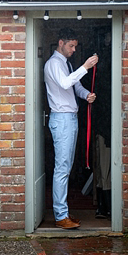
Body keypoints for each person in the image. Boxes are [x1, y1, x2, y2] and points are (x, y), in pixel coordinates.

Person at [44, 28, 98, 229]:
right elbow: (66, 82)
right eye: (71, 46)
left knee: (65, 168)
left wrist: (86, 95)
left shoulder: (65, 64)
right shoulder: (53, 64)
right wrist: (85, 66)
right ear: (61, 43)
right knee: (62, 169)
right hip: (62, 119)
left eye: (75, 46)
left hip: (69, 118)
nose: (74, 49)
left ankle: (63, 212)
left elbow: (75, 86)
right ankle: (60, 216)